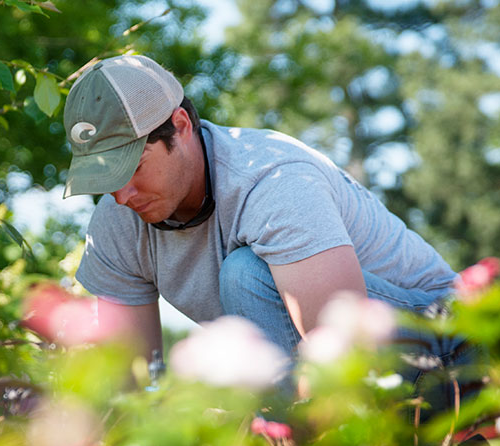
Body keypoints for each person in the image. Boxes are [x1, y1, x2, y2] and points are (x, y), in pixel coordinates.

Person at [62, 53, 476, 406]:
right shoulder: (117, 223)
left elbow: (341, 349)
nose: (121, 195)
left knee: (246, 274)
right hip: (350, 362)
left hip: (449, 347)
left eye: (132, 167)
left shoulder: (273, 180)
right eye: (106, 179)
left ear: (181, 125)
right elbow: (131, 379)